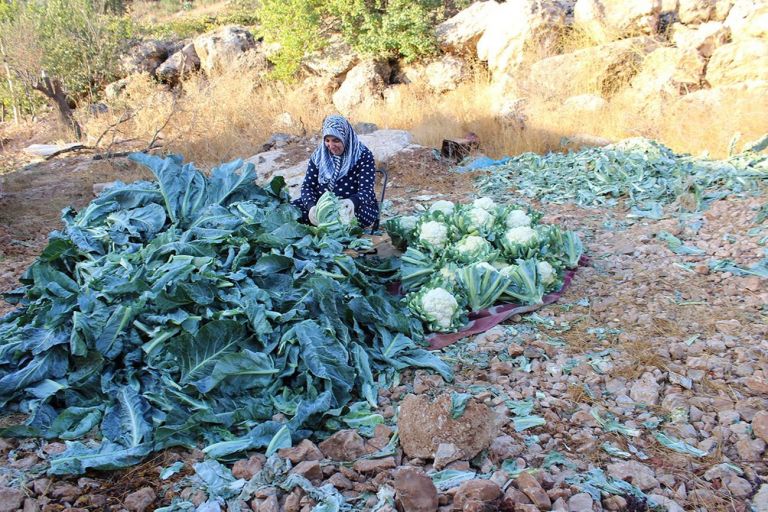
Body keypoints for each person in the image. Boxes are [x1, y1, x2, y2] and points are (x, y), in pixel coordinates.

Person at [294, 115, 379, 227]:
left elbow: (366, 190)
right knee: (293, 211)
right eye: (327, 140)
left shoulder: (362, 155)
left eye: (336, 140)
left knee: (352, 217)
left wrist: (352, 201)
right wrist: (312, 207)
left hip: (351, 206)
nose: (331, 146)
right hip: (322, 205)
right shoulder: (319, 156)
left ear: (345, 137)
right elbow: (307, 187)